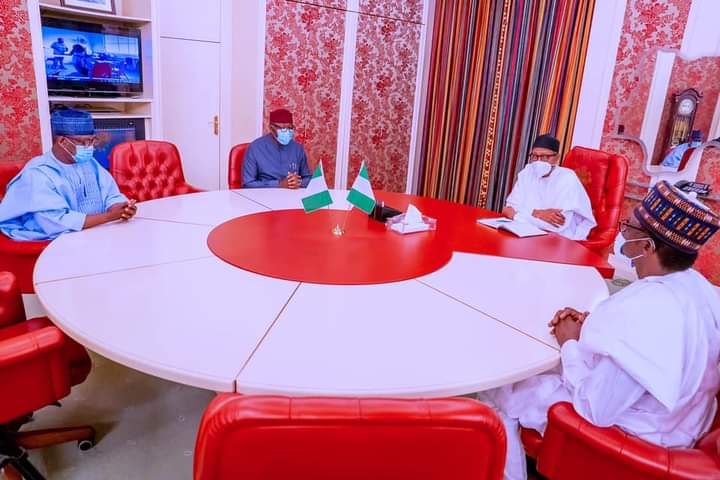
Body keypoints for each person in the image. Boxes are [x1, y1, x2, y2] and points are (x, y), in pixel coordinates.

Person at [480, 180, 720, 480]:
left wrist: (570, 343)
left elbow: (595, 408)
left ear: (647, 247)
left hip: (641, 433)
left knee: (501, 390)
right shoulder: (701, 288)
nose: (622, 235)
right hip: (685, 418)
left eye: (629, 228)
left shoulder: (651, 311)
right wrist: (593, 326)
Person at [0, 108, 137, 241]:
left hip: (94, 231)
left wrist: (121, 208)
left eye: (92, 140)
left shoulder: (89, 163)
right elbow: (56, 222)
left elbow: (111, 194)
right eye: (84, 142)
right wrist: (109, 217)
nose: (90, 147)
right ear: (62, 142)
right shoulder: (38, 173)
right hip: (53, 240)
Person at [502, 134, 596, 240]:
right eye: (534, 156)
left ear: (556, 158)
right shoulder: (527, 172)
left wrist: (517, 215)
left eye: (544, 157)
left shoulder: (568, 178)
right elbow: (508, 209)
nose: (538, 161)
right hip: (524, 232)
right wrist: (537, 213)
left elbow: (556, 225)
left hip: (559, 239)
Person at [242, 108, 312, 189]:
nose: (286, 132)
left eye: (290, 128)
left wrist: (299, 182)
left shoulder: (298, 149)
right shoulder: (255, 148)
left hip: (292, 194)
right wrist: (278, 184)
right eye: (282, 128)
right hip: (265, 194)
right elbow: (247, 183)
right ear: (271, 128)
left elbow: (308, 179)